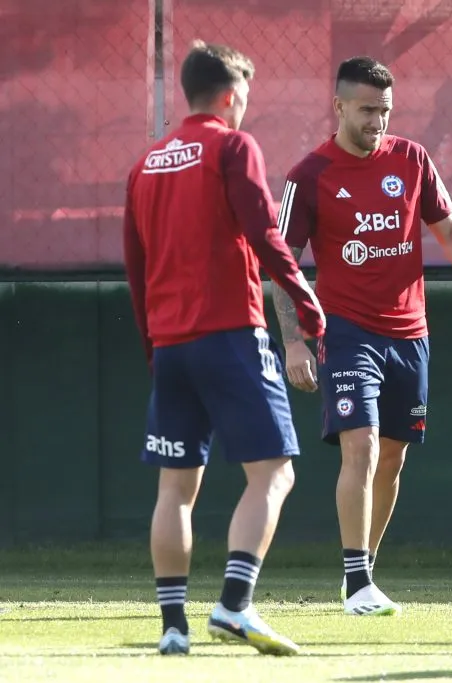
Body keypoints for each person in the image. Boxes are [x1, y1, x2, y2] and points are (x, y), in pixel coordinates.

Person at [123, 40, 325, 656]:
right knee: (275, 473)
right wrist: (305, 300)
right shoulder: (234, 146)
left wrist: (154, 349)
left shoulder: (146, 164)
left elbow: (136, 268)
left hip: (171, 344)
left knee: (175, 490)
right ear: (232, 95)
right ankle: (234, 606)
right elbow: (265, 232)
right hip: (232, 333)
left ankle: (173, 627)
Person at [271, 56, 452, 616]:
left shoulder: (412, 159)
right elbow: (282, 264)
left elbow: (447, 227)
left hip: (410, 333)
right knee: (362, 447)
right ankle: (358, 580)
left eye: (385, 110)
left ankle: (362, 571)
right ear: (339, 107)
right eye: (367, 110)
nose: (377, 121)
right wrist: (293, 341)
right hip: (346, 330)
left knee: (392, 455)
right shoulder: (308, 175)